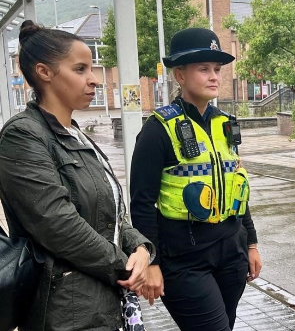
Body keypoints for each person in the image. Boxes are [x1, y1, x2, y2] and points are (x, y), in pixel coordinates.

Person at [0, 20, 154, 331]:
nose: (94, 80)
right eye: (81, 69)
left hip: (102, 302)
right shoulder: (22, 137)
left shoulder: (75, 134)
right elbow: (57, 224)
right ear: (45, 72)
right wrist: (125, 268)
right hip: (66, 311)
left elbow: (111, 213)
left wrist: (140, 248)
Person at [130, 27, 262, 331]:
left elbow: (237, 187)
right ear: (180, 75)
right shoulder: (157, 129)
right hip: (184, 259)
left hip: (232, 253)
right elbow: (142, 203)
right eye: (203, 68)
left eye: (217, 69)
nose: (214, 75)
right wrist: (151, 262)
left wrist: (251, 243)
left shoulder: (226, 125)